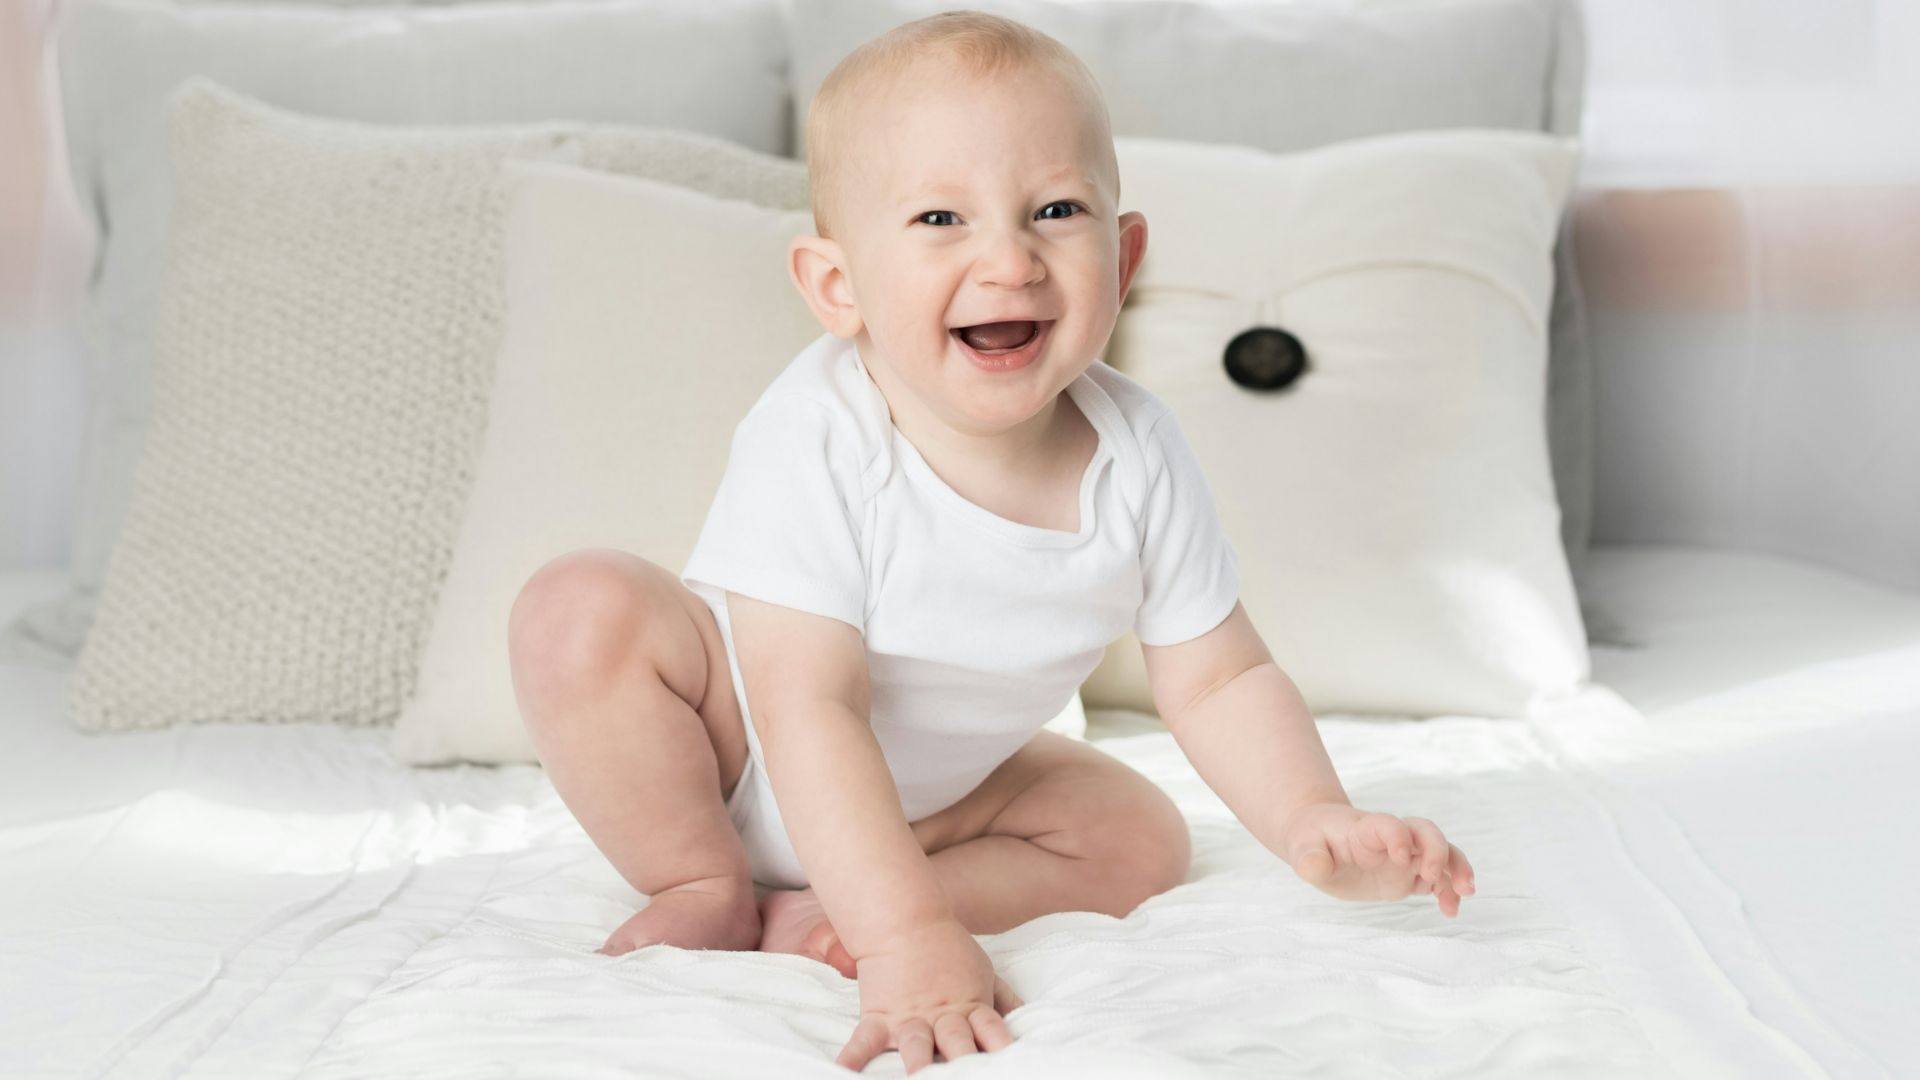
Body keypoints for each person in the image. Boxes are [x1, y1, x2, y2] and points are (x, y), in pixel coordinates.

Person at [506, 10, 1476, 1074]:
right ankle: (705, 882)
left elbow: (1220, 678)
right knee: (580, 609)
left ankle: (830, 909)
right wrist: (910, 945)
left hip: (940, 800)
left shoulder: (1138, 451)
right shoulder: (819, 431)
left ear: (1126, 252)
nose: (1008, 260)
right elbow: (807, 707)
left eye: (1057, 210)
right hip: (738, 746)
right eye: (939, 219)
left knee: (1140, 837)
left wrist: (1312, 819)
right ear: (838, 286)